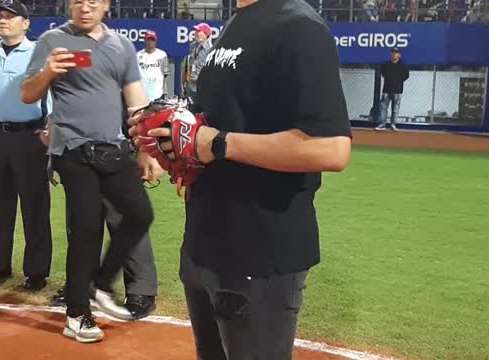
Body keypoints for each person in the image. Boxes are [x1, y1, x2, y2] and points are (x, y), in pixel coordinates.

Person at [130, 0, 352, 358]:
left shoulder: (298, 26)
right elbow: (216, 124)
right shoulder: (235, 24)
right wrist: (181, 149)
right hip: (206, 245)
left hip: (260, 252)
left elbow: (331, 149)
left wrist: (216, 143)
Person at [20, 0, 161, 343]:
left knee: (140, 213)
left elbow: (136, 100)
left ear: (106, 5)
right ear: (70, 5)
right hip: (71, 149)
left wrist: (145, 148)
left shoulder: (120, 46)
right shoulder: (52, 41)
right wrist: (48, 72)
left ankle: (101, 284)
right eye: (78, 1)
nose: (85, 7)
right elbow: (27, 94)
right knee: (86, 229)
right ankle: (77, 315)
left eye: (93, 1)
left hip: (113, 149)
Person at [0, 0, 53, 292]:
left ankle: (36, 271)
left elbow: (53, 98)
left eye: (9, 17)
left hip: (30, 137)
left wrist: (48, 132)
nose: (2, 21)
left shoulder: (38, 55)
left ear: (26, 23)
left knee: (35, 207)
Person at [376, 47, 409, 131]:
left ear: (399, 55)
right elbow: (383, 74)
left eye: (396, 52)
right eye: (393, 52)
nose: (394, 54)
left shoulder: (403, 66)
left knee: (395, 109)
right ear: (390, 54)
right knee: (383, 108)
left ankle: (393, 125)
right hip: (386, 90)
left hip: (398, 91)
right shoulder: (385, 65)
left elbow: (406, 76)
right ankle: (383, 124)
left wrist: (398, 82)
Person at [182, 22, 212, 103]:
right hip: (190, 86)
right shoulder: (192, 46)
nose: (195, 33)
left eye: (198, 31)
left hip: (203, 87)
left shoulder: (211, 49)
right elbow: (188, 64)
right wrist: (184, 84)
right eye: (196, 31)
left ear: (206, 34)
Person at [137, 30, 169, 102]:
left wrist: (165, 93)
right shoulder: (138, 55)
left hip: (158, 93)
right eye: (148, 39)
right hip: (143, 93)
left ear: (155, 41)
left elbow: (165, 75)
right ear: (145, 41)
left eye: (152, 40)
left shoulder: (162, 55)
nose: (150, 42)